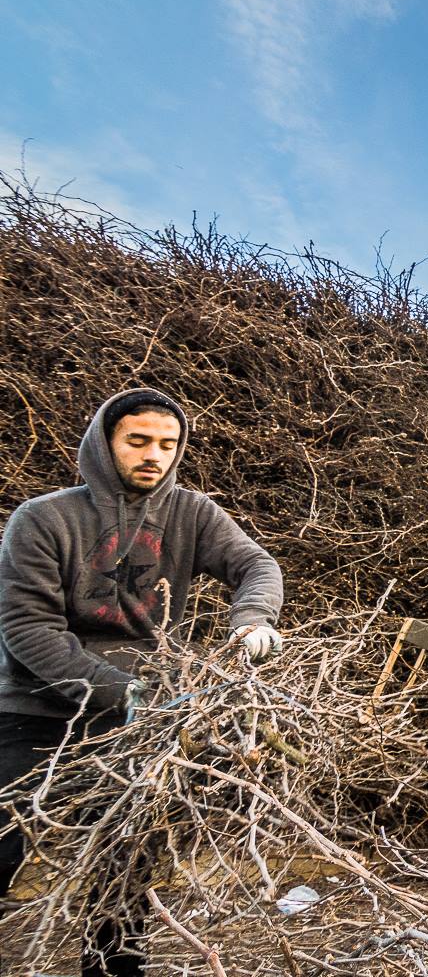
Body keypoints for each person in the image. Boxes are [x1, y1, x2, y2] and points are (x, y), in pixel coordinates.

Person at [0, 388, 285, 977]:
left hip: (141, 716)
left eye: (167, 444)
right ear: (106, 445)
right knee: (2, 842)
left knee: (126, 862)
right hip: (34, 707)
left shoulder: (192, 513)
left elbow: (257, 565)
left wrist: (252, 620)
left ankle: (113, 971)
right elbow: (27, 630)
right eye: (138, 441)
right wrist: (123, 691)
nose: (153, 455)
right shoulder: (44, 518)